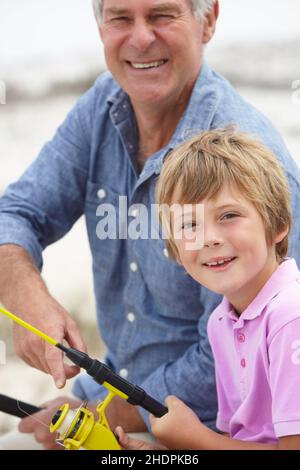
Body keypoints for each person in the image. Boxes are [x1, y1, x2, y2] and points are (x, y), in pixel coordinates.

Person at [0, 0, 300, 450]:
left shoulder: (252, 161)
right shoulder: (101, 104)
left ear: (209, 20)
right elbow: (18, 212)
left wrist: (102, 412)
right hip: (116, 392)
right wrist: (25, 295)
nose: (140, 38)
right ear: (100, 25)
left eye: (162, 15)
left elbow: (223, 368)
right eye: (120, 17)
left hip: (197, 426)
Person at [116, 127, 300, 450]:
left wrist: (197, 440)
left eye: (229, 215)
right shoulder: (221, 322)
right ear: (174, 247)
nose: (208, 238)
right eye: (190, 224)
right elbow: (238, 440)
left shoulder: (290, 317)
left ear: (279, 225)